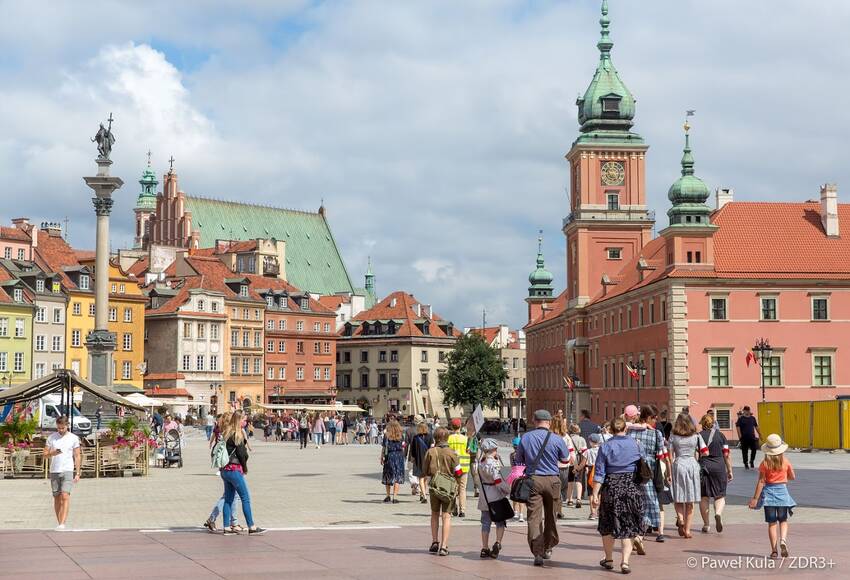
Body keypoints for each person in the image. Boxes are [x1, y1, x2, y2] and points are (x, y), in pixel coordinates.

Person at [514, 409, 573, 567]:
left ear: (534, 421)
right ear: (549, 422)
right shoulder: (557, 438)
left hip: (533, 480)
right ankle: (548, 546)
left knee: (534, 517)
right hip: (553, 479)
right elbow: (566, 459)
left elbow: (518, 460)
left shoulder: (526, 438)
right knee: (551, 515)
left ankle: (537, 552)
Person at [590, 417, 645, 575]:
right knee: (628, 525)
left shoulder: (605, 446)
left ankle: (609, 559)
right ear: (625, 429)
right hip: (630, 486)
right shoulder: (636, 444)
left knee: (608, 524)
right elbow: (643, 463)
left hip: (611, 487)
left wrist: (595, 494)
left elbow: (599, 472)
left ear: (611, 430)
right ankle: (625, 562)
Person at [628, 404, 671, 547]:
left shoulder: (630, 431)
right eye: (654, 418)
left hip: (632, 470)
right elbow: (662, 454)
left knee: (635, 502)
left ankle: (637, 533)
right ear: (647, 418)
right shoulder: (656, 434)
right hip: (648, 472)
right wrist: (667, 472)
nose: (656, 421)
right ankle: (640, 535)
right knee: (651, 503)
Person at [748, 434, 795, 558]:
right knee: (783, 520)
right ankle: (783, 540)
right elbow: (792, 476)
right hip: (783, 494)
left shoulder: (764, 463)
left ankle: (774, 550)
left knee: (772, 523)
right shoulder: (785, 462)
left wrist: (755, 499)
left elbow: (761, 482)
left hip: (768, 496)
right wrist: (784, 476)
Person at [219, 411, 266, 535]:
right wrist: (245, 468)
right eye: (244, 420)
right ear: (239, 420)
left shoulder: (226, 432)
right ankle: (251, 526)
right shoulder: (237, 434)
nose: (245, 422)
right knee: (245, 497)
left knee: (228, 499)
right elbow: (241, 454)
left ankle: (226, 527)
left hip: (225, 469)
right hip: (234, 470)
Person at [423, 426, 463, 556]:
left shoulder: (430, 452)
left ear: (435, 437)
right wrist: (457, 485)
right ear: (447, 438)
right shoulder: (452, 453)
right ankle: (444, 546)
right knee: (446, 516)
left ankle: (435, 541)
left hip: (435, 486)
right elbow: (459, 472)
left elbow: (425, 471)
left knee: (434, 514)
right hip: (449, 488)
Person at [669, 413, 708, 539]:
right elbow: (705, 452)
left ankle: (680, 519)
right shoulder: (696, 436)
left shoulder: (673, 436)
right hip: (692, 465)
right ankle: (687, 530)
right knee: (690, 500)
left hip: (679, 465)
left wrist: (669, 471)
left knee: (678, 496)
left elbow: (670, 455)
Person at [45, 416, 81, 531]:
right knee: (57, 497)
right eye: (58, 428)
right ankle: (59, 522)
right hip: (55, 470)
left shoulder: (74, 438)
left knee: (65, 495)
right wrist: (52, 453)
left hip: (68, 469)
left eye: (62, 428)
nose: (60, 430)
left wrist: (78, 472)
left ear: (67, 426)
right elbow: (44, 454)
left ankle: (62, 523)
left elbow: (77, 455)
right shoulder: (51, 437)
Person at [698, 413, 732, 534]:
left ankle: (706, 524)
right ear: (713, 423)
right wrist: (730, 470)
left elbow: (696, 453)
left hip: (704, 467)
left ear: (702, 424)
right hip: (719, 466)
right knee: (720, 495)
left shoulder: (698, 436)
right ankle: (718, 513)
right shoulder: (721, 435)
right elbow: (726, 455)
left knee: (704, 496)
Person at [477, 438, 510, 559]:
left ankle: (484, 548)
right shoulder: (494, 464)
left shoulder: (481, 463)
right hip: (495, 496)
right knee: (500, 521)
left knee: (485, 523)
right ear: (493, 450)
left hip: (484, 496)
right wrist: (507, 489)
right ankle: (498, 542)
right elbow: (498, 480)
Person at [447, 418, 471, 517]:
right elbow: (469, 451)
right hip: (463, 467)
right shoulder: (465, 439)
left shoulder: (449, 439)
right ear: (460, 426)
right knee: (462, 489)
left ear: (451, 427)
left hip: (452, 467)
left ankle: (454, 507)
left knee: (452, 488)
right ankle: (462, 510)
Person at [381, 419, 406, 503]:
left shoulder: (386, 435)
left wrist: (382, 457)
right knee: (397, 476)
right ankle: (395, 497)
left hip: (389, 456)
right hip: (399, 456)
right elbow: (404, 446)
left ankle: (388, 495)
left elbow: (384, 447)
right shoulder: (401, 435)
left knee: (388, 475)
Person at [409, 421, 434, 503]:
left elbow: (413, 450)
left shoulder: (416, 438)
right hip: (428, 459)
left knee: (421, 478)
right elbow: (432, 448)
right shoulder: (430, 437)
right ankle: (423, 494)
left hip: (419, 459)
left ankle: (424, 496)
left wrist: (412, 458)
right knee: (425, 478)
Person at [566, 423, 587, 509]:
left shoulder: (568, 438)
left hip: (570, 461)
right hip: (579, 461)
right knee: (579, 480)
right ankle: (578, 499)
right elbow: (585, 452)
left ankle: (570, 500)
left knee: (570, 481)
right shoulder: (582, 439)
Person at [508, 436, 527, 523]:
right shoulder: (525, 454)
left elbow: (512, 466)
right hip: (523, 475)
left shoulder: (511, 455)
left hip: (514, 475)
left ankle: (515, 513)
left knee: (514, 494)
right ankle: (521, 515)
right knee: (521, 496)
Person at [736, 406, 761, 470]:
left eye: (748, 410)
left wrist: (760, 434)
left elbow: (756, 427)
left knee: (754, 450)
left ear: (749, 410)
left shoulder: (752, 418)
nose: (747, 411)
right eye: (746, 410)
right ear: (744, 411)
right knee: (745, 451)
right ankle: (746, 463)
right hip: (744, 438)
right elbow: (738, 428)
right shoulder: (741, 419)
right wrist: (740, 437)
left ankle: (752, 461)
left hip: (752, 437)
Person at [585, 433, 602, 520]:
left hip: (591, 470)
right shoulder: (601, 450)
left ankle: (593, 512)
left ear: (591, 442)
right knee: (599, 492)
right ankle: (598, 511)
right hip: (600, 470)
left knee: (591, 493)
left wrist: (577, 469)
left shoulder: (588, 451)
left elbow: (584, 462)